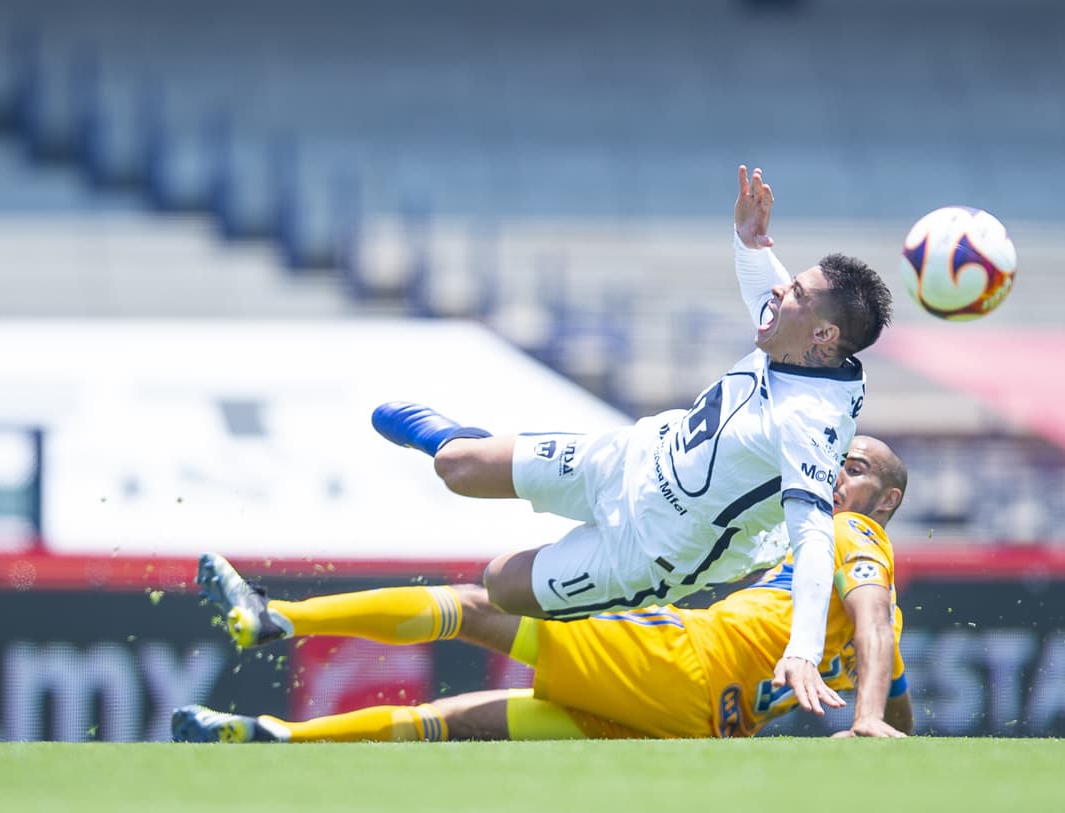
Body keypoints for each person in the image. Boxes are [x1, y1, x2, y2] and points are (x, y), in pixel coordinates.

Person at [366, 166, 894, 713]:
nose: (780, 292)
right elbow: (766, 283)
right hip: (633, 456)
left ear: (824, 334)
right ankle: (465, 453)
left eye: (797, 292)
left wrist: (803, 650)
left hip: (655, 547)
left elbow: (813, 537)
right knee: (458, 466)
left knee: (499, 585)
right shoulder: (796, 331)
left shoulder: (810, 422)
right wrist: (747, 240)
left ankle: (620, 647)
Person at [172, 435, 913, 743]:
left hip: (681, 662)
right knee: (460, 723)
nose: (835, 475)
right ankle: (278, 737)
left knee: (477, 606)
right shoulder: (870, 617)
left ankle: (272, 617)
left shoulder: (853, 532)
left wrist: (867, 719)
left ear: (886, 502)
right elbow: (888, 664)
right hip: (694, 726)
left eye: (854, 470)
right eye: (834, 461)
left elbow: (872, 620)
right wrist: (888, 728)